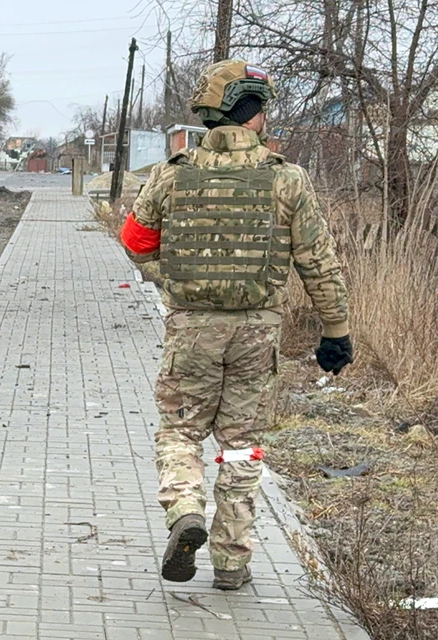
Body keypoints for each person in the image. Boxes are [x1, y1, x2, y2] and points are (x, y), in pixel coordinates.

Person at [119, 59, 353, 590]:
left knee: (181, 430)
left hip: (191, 330)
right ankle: (231, 563)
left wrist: (174, 269)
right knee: (242, 443)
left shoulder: (172, 173)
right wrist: (335, 329)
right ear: (252, 113)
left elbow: (135, 242)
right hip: (257, 332)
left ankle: (185, 509)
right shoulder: (286, 178)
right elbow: (318, 261)